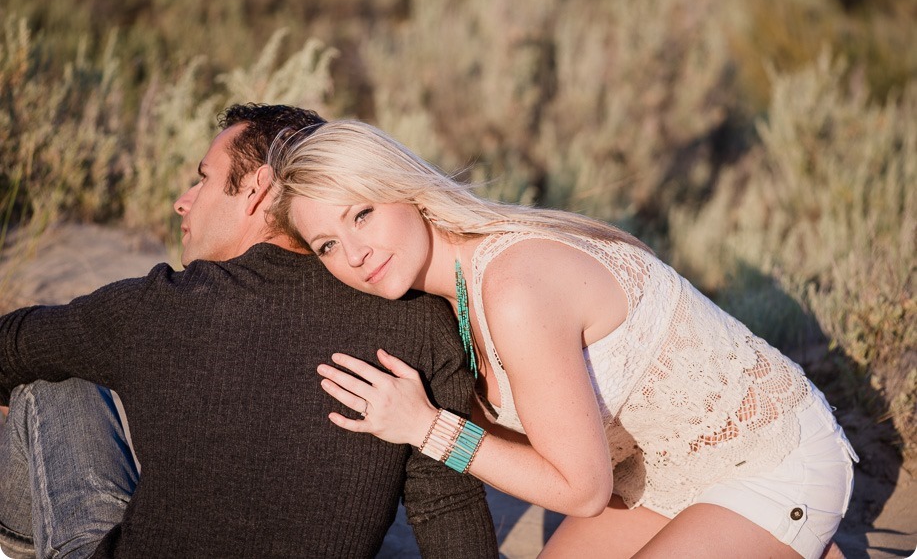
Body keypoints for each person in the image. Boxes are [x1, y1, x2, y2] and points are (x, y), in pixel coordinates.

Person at [266, 119, 859, 559]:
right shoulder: (446, 298)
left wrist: (426, 428)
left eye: (361, 213)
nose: (354, 253)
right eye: (326, 246)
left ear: (404, 187)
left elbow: (581, 490)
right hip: (659, 479)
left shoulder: (515, 285)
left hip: (772, 461)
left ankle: (786, 532)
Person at [0, 104, 499, 558]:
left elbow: (11, 345)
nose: (183, 201)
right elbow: (446, 506)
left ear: (257, 188)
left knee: (51, 382)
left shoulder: (156, 308)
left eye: (204, 180)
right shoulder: (421, 320)